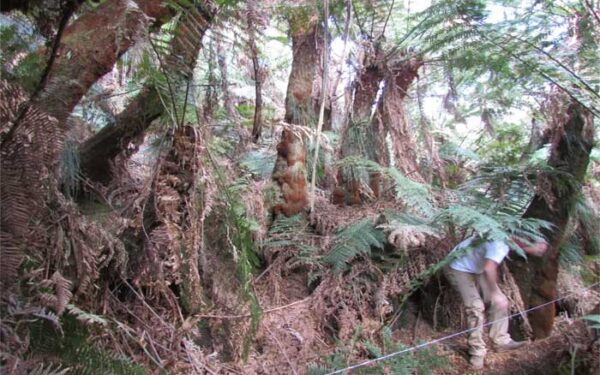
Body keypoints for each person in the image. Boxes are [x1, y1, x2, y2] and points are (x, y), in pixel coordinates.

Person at [444, 235, 548, 369]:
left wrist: (531, 249)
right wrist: (494, 292)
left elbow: (514, 244)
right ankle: (477, 352)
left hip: (476, 268)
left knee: (500, 302)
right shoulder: (498, 243)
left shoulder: (506, 236)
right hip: (457, 266)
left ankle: (501, 341)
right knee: (475, 307)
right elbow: (489, 268)